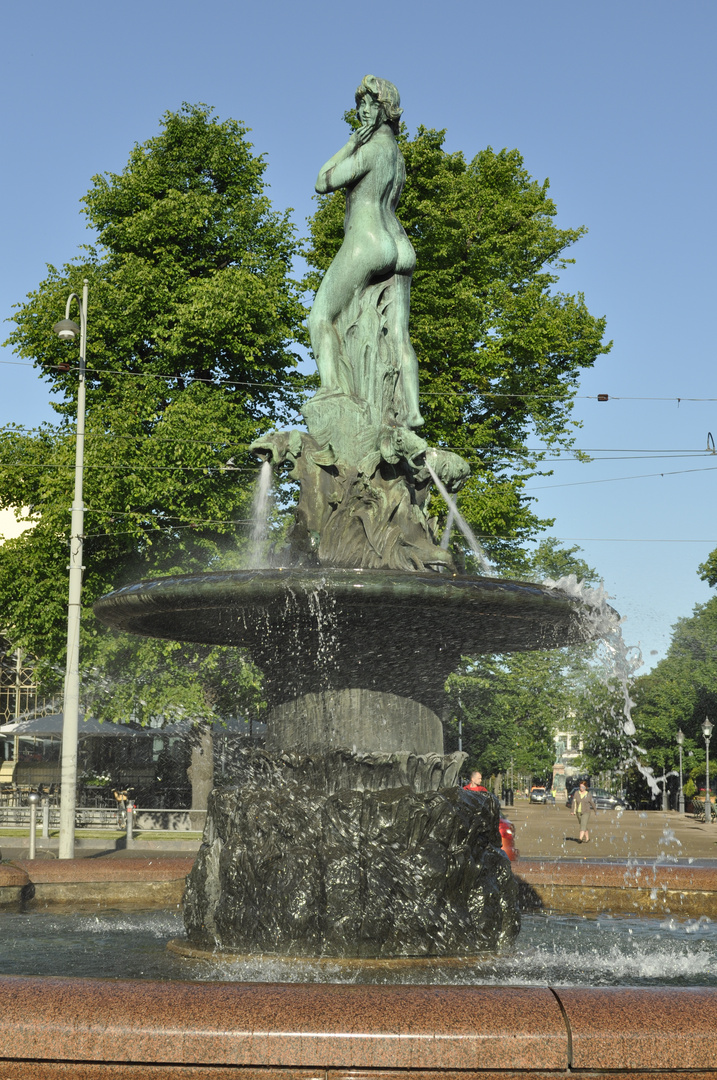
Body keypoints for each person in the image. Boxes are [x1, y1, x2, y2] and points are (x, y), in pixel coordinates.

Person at [307, 74, 423, 428]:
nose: (362, 111)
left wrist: (348, 146)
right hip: (400, 244)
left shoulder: (369, 150)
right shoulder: (397, 156)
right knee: (399, 335)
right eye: (360, 104)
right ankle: (413, 411)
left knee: (320, 317)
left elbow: (322, 181)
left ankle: (331, 391)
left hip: (367, 241)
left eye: (370, 104)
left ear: (385, 110)